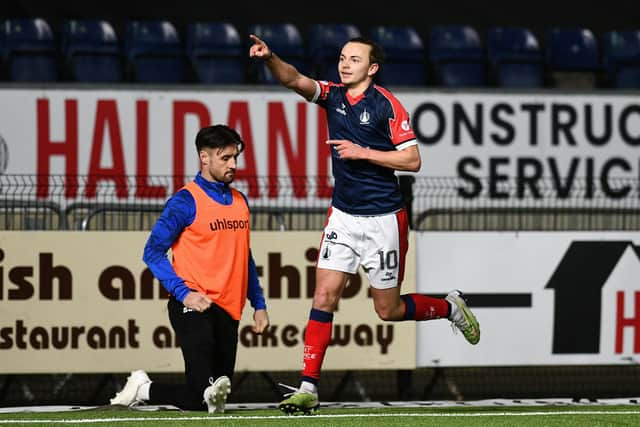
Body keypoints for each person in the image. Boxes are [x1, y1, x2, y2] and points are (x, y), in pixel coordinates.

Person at [248, 35, 480, 414]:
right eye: (342, 58)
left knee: (386, 312)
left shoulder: (386, 104)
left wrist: (363, 153)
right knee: (323, 296)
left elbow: (413, 160)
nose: (345, 64)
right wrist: (271, 57)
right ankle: (308, 386)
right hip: (343, 215)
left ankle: (450, 307)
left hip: (384, 219)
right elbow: (293, 79)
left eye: (354, 59)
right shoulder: (332, 95)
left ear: (372, 68)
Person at [109, 124, 269, 413]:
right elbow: (152, 252)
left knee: (211, 399)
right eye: (225, 158)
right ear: (204, 158)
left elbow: (244, 257)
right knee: (207, 394)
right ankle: (145, 388)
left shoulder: (240, 202)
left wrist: (258, 304)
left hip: (229, 310)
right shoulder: (185, 201)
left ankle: (144, 389)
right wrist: (184, 294)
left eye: (235, 157)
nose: (233, 164)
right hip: (195, 306)